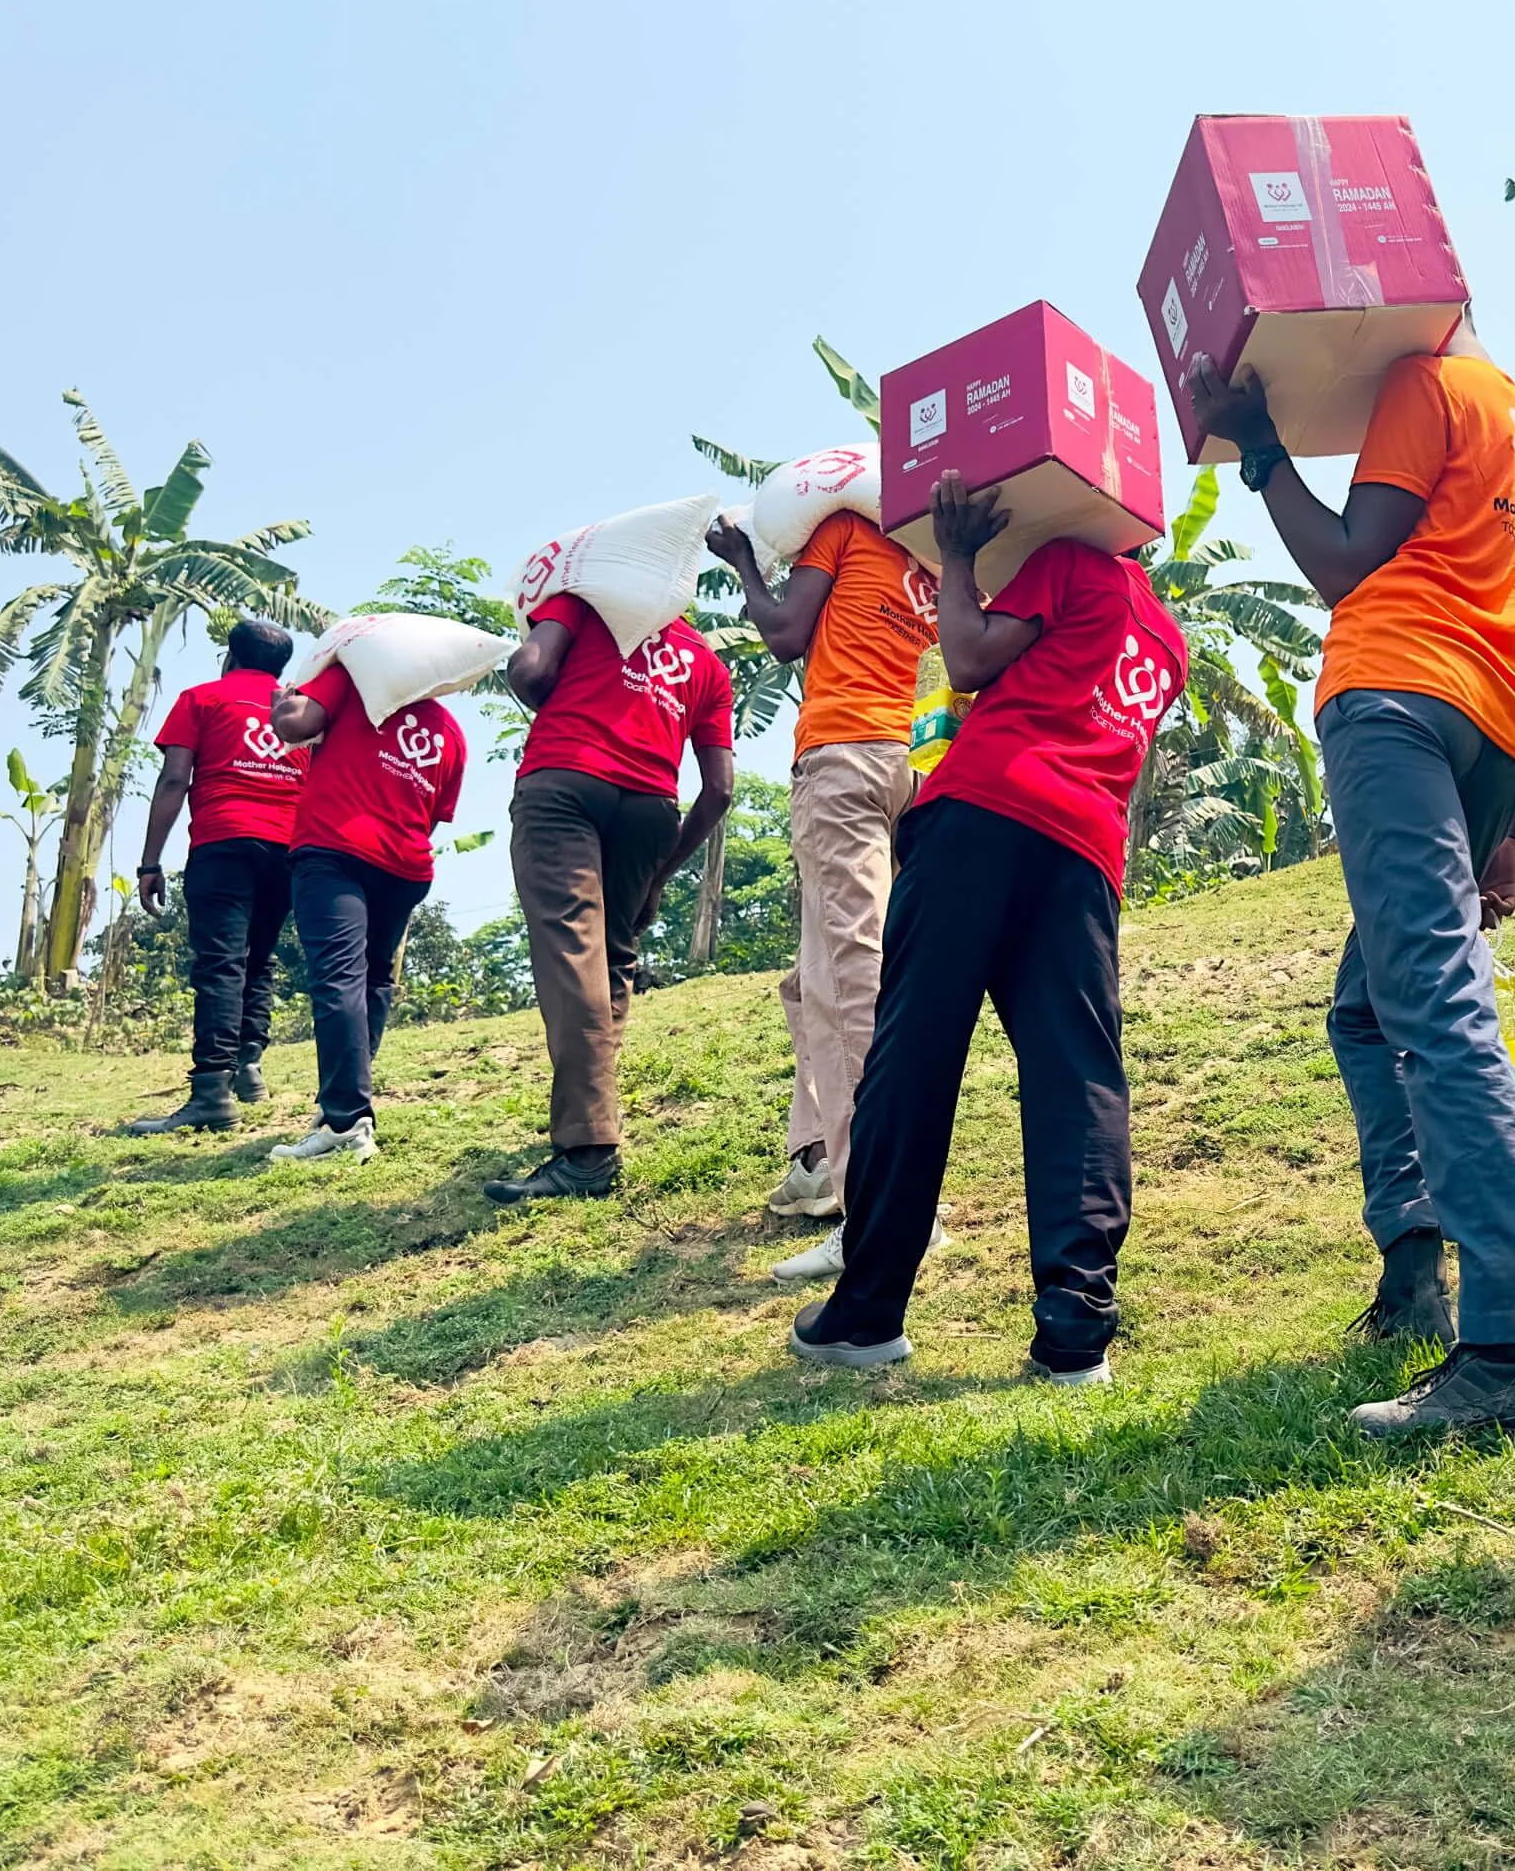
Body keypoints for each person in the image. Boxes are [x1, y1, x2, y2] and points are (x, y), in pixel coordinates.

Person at [1183, 345, 1515, 1441]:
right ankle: (1415, 1272)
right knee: (1372, 1005)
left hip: (1399, 701)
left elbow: (1345, 566)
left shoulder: (1429, 384)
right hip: (1496, 743)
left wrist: (1261, 448)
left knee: (1435, 1005)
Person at [788, 474, 1185, 1387]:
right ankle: (1076, 1330)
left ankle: (868, 1312)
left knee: (914, 1054)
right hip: (1086, 851)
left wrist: (959, 552)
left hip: (986, 812)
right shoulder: (1169, 642)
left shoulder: (1071, 564)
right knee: (1079, 1072)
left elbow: (965, 659)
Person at [706, 507, 939, 1280]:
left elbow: (782, 632)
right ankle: (818, 1164)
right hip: (911, 765)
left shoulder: (842, 529)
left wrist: (744, 561)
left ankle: (880, 1216)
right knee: (824, 982)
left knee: (848, 989)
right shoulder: (937, 558)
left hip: (841, 761)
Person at [486, 591, 735, 1204]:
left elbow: (530, 669)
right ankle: (593, 1113)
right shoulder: (708, 663)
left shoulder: (586, 601)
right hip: (650, 809)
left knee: (572, 949)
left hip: (565, 782)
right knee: (612, 955)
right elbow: (719, 790)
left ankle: (589, 1150)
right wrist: (660, 873)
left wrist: (562, 702)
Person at [262, 661, 467, 1162]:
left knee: (338, 979)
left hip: (334, 852)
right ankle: (346, 1105)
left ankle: (345, 1121)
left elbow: (294, 726)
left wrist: (281, 703)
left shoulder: (353, 682)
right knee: (372, 981)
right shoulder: (452, 734)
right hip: (405, 868)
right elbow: (433, 815)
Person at [125, 619, 312, 1135]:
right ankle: (248, 1068)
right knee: (259, 957)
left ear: (231, 657)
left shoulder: (201, 699)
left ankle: (211, 1091)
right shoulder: (302, 709)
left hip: (224, 841)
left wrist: (150, 862)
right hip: (288, 848)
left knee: (220, 963)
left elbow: (174, 780)